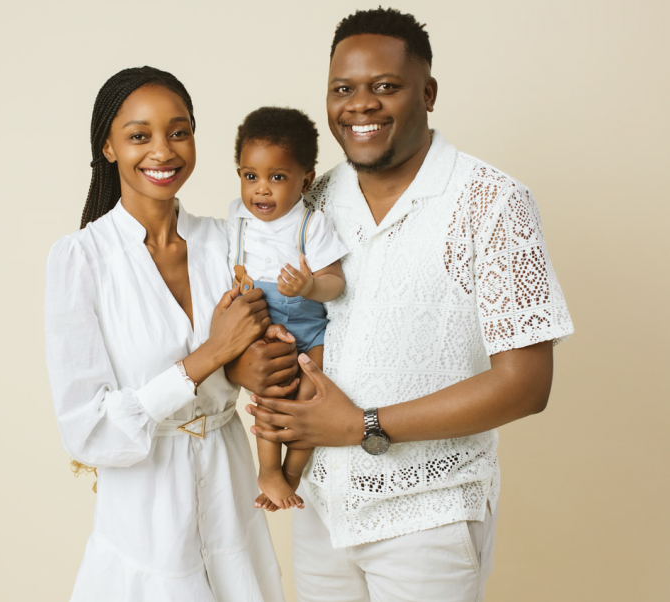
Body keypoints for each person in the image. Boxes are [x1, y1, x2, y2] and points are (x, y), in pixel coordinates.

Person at [229, 8, 574, 601]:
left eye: (384, 87)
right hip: (321, 508)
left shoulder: (493, 202)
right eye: (343, 89)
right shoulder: (307, 196)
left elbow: (526, 384)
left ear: (428, 92)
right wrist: (247, 367)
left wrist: (363, 425)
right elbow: (253, 313)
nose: (360, 105)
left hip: (430, 517)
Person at [44, 66, 286, 602]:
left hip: (231, 498)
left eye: (179, 131)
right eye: (139, 135)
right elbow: (88, 431)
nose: (163, 151)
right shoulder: (82, 261)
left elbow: (274, 347)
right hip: (144, 521)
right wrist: (210, 357)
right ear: (108, 147)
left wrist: (242, 365)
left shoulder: (230, 242)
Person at [226, 107, 347, 511]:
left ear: (305, 179)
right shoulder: (237, 219)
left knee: (313, 396)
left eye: (277, 177)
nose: (261, 189)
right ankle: (268, 469)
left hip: (310, 330)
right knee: (273, 392)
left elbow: (336, 283)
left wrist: (311, 285)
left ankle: (292, 474)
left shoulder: (310, 225)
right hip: (264, 327)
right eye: (250, 176)